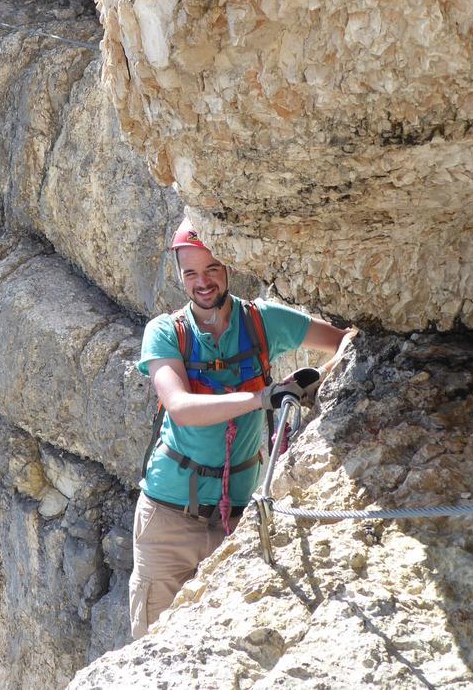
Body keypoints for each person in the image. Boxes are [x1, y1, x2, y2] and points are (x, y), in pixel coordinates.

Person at [129, 216, 357, 639]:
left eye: (212, 269)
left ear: (228, 266)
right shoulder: (165, 333)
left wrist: (313, 381)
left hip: (235, 518)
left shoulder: (261, 322)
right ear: (180, 276)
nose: (203, 282)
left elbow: (347, 340)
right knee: (156, 649)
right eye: (191, 272)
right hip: (168, 522)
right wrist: (260, 398)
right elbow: (179, 406)